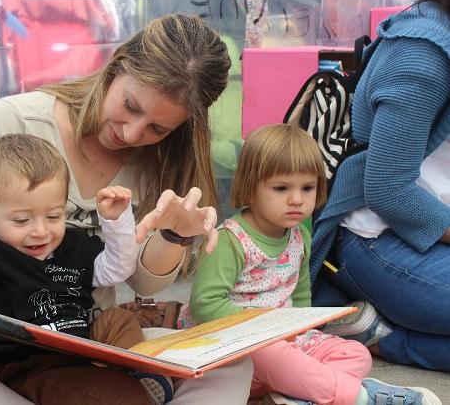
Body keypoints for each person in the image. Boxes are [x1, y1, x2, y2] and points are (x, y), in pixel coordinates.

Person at [0, 14, 253, 404]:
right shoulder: (16, 121)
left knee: (233, 363)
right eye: (130, 106)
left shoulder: (161, 160)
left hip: (90, 345)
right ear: (116, 66)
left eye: (157, 129)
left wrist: (175, 234)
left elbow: (139, 281)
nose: (131, 134)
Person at [178, 124, 442, 405]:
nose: (297, 199)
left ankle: (295, 395)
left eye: (308, 187)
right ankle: (362, 397)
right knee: (271, 353)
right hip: (232, 349)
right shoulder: (230, 240)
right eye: (281, 188)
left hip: (281, 343)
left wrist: (299, 331)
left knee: (356, 355)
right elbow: (205, 305)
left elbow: (300, 294)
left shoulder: (299, 235)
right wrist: (266, 328)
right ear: (249, 188)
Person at [0, 134, 175, 404]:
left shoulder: (73, 246)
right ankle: (129, 386)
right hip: (28, 364)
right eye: (22, 220)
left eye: (53, 216)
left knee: (118, 319)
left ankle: (135, 371)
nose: (40, 231)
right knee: (120, 396)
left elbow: (117, 269)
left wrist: (117, 221)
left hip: (84, 344)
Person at [310, 0, 450, 373]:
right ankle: (384, 337)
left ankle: (382, 328)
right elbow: (389, 190)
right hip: (377, 239)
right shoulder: (423, 54)